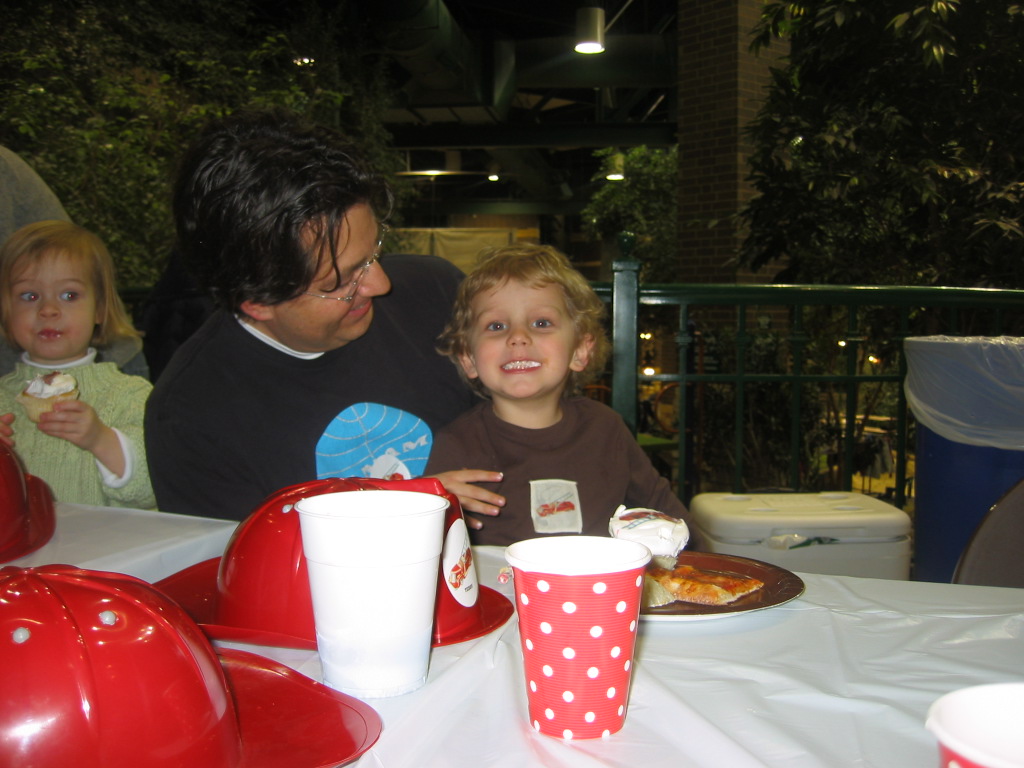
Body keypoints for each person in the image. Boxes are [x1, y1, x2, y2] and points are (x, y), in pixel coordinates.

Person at [145, 108, 503, 521]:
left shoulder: (437, 293)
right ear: (256, 302)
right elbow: (250, 558)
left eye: (373, 252)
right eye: (340, 281)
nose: (380, 284)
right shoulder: (191, 416)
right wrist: (414, 504)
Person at [424, 244, 698, 546]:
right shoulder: (456, 444)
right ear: (468, 358)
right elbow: (426, 549)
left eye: (541, 323)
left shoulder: (606, 429)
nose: (518, 337)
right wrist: (430, 506)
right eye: (496, 325)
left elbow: (675, 525)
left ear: (580, 350)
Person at [0, 220, 155, 508]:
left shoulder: (130, 395)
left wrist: (101, 439)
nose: (48, 310)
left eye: (69, 295)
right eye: (29, 296)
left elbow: (155, 485)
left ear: (100, 309)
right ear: (6, 310)